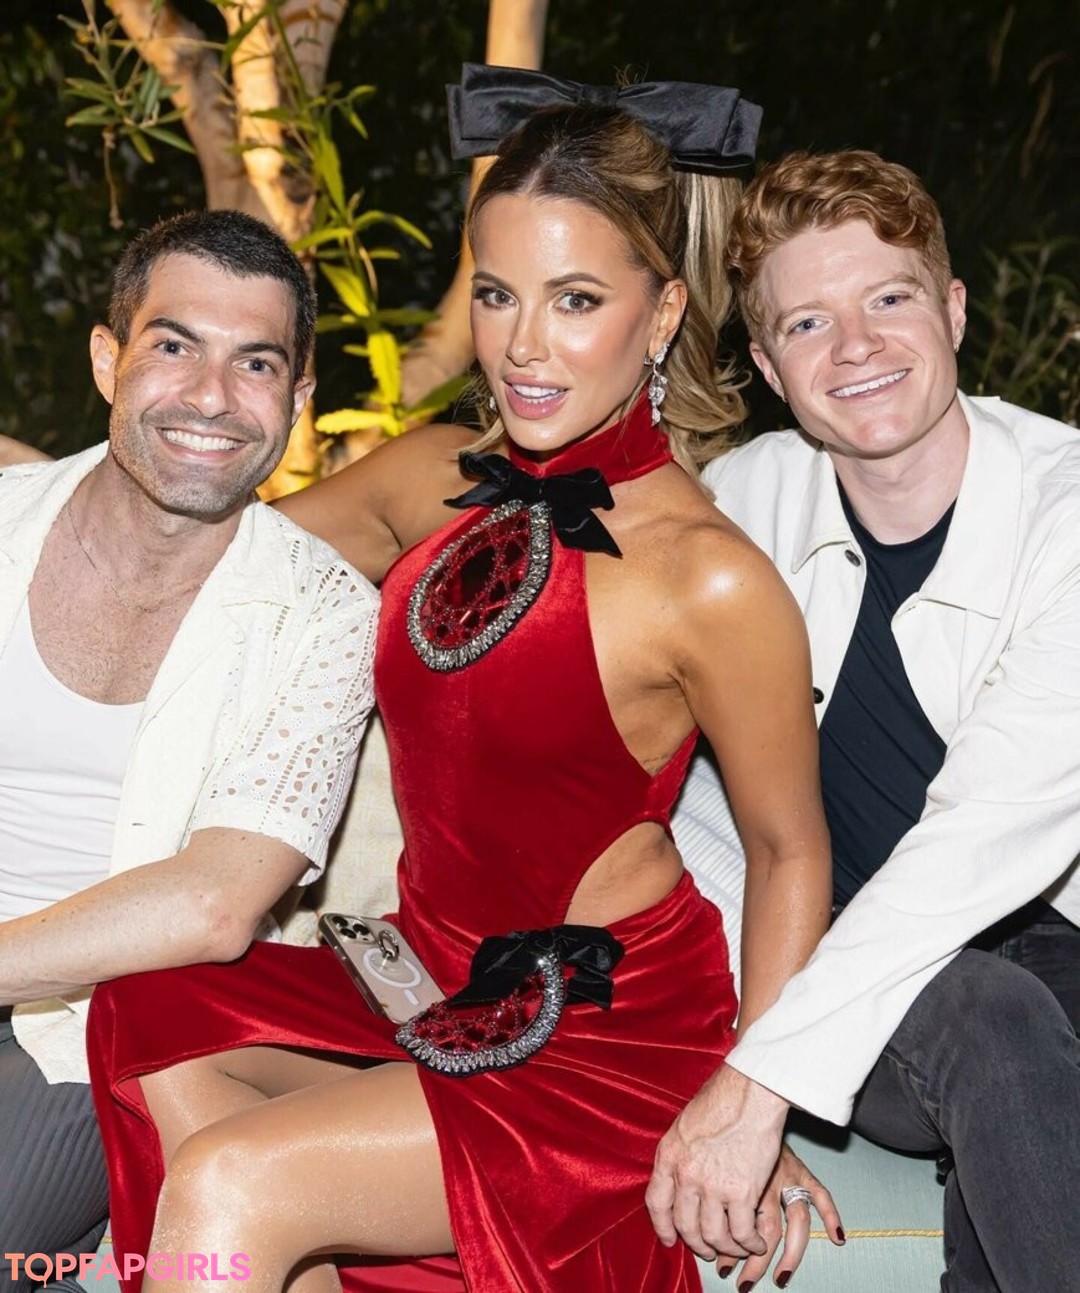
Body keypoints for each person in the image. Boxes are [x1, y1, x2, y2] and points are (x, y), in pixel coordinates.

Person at [87, 68, 842, 1292]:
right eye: (497, 294)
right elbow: (208, 561)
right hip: (413, 972)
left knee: (234, 1179)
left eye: (576, 300)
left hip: (605, 1041)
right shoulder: (428, 476)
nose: (524, 346)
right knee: (145, 1009)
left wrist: (757, 1099)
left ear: (661, 314)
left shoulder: (711, 580)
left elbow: (788, 850)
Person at [649, 149, 1080, 1293]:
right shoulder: (735, 515)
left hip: (1054, 935)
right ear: (769, 368)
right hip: (861, 973)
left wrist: (758, 1087)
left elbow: (981, 841)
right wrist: (743, 1055)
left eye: (889, 298)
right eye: (808, 323)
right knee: (990, 1016)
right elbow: (643, 791)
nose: (856, 347)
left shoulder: (1065, 515)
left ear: (954, 310)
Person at [0, 209, 377, 1288]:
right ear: (107, 359)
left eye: (256, 363)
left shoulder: (324, 616)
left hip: (91, 1031)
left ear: (298, 401)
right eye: (175, 345)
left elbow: (215, 902)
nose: (212, 396)